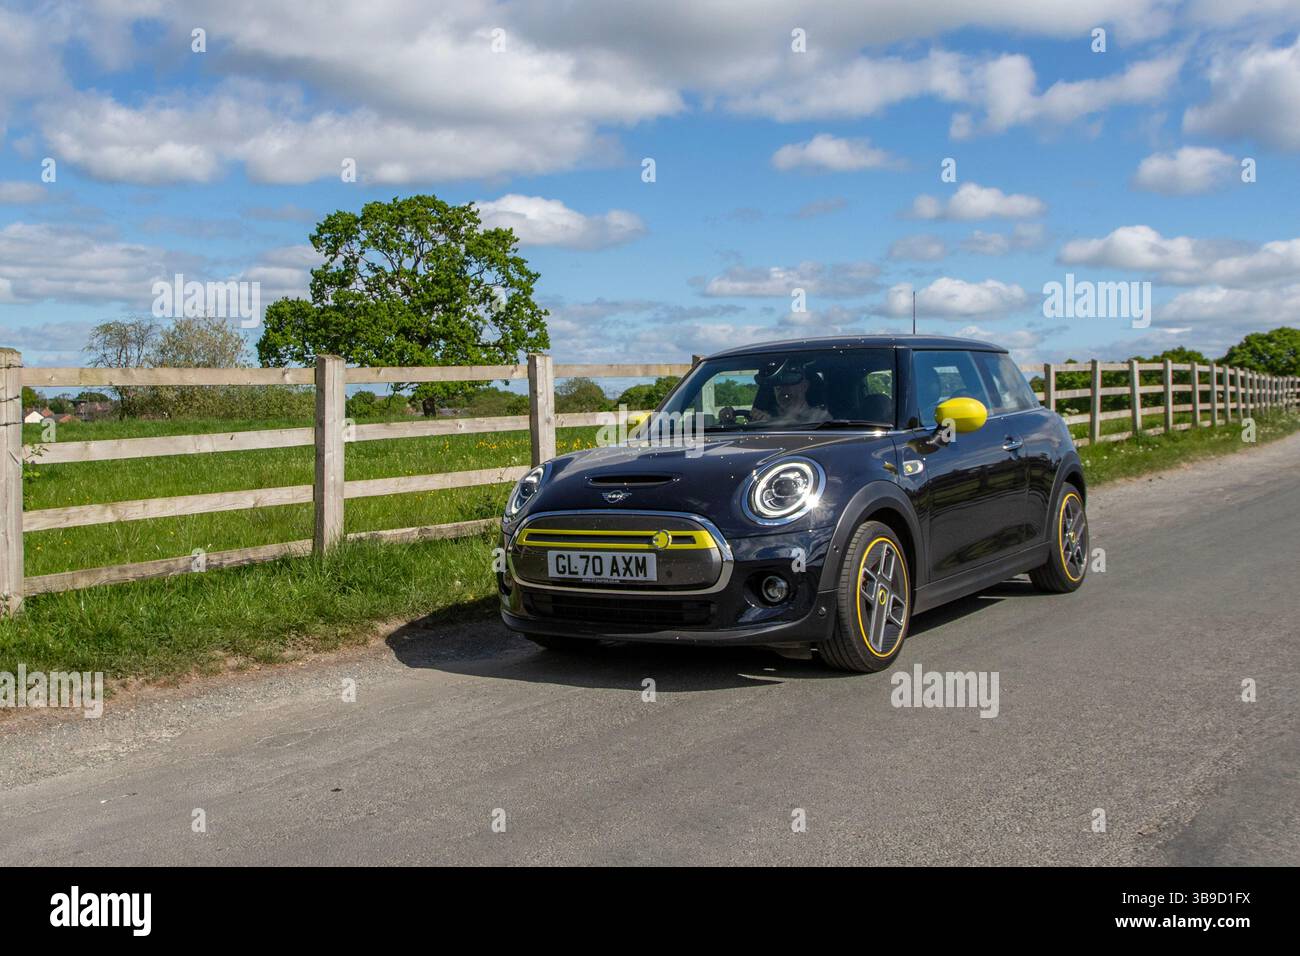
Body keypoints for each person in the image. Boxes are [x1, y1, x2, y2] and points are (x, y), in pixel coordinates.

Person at [747, 362, 830, 426]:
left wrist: (770, 423)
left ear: (805, 386)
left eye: (789, 382)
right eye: (777, 385)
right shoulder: (765, 416)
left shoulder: (820, 416)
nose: (782, 388)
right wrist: (756, 423)